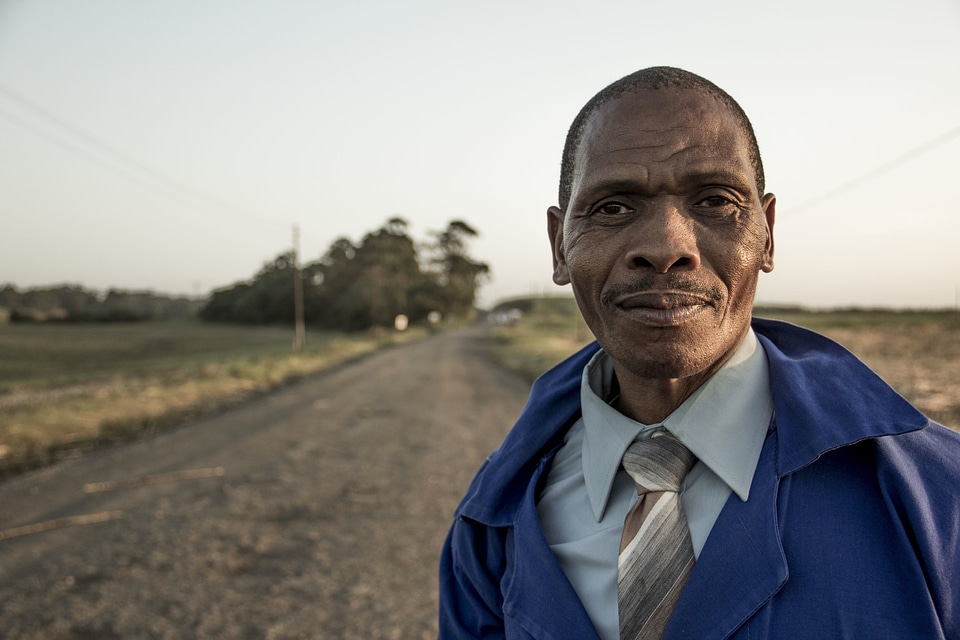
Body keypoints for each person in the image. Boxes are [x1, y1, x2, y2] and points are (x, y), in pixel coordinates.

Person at [438, 66, 960, 639]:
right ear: (559, 246)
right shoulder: (494, 522)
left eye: (715, 200)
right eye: (612, 207)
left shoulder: (938, 500)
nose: (666, 247)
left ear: (767, 233)